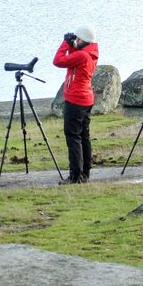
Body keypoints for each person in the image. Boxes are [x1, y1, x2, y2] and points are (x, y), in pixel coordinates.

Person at [53, 25, 99, 184]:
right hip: (86, 99)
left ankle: (75, 176)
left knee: (73, 137)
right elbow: (74, 59)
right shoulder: (90, 53)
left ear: (83, 40)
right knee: (83, 136)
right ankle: (85, 172)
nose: (75, 41)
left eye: (78, 39)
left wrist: (65, 44)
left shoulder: (82, 56)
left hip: (76, 100)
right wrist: (74, 45)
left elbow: (58, 61)